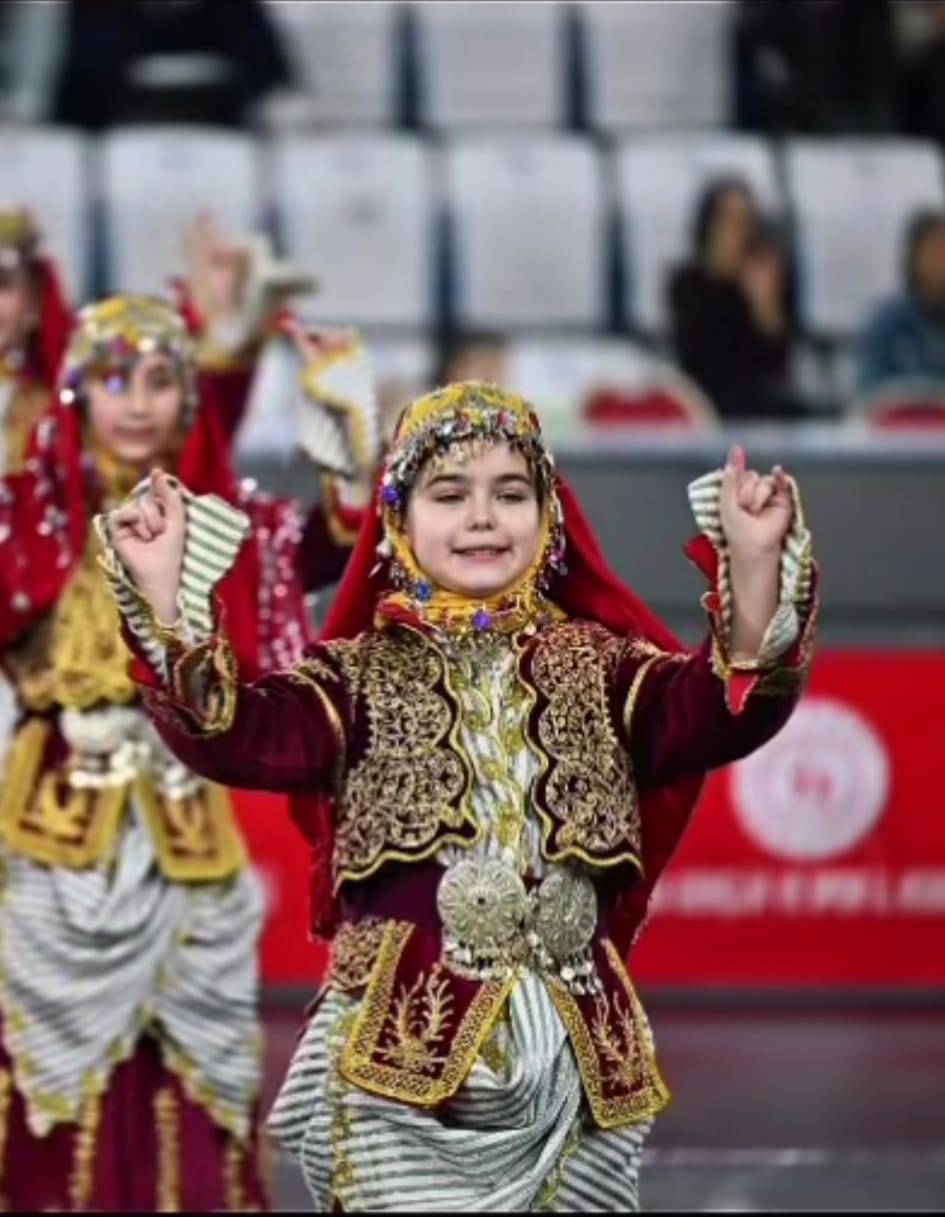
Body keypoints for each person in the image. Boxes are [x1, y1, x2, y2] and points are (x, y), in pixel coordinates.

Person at [102, 380, 817, 1211]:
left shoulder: (603, 665)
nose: (482, 516)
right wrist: (165, 605)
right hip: (406, 1057)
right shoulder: (355, 676)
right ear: (397, 525)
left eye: (510, 493)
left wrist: (757, 564)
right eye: (449, 494)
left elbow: (716, 715)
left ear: (548, 517)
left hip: (575, 1055)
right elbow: (233, 734)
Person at [0, 294, 377, 1209]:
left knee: (198, 1053)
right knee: (47, 1057)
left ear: (188, 398)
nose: (137, 403)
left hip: (184, 825)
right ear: (79, 394)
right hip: (54, 831)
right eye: (115, 380)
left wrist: (340, 415)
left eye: (162, 381)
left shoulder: (217, 520)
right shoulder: (25, 511)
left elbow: (341, 539)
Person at [668, 178, 799, 421]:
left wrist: (763, 304)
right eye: (728, 220)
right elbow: (692, 356)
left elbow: (778, 360)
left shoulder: (768, 276)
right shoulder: (687, 282)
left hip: (761, 403)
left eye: (745, 221)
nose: (737, 232)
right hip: (706, 401)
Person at [857, 209, 945, 393]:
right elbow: (871, 393)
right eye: (935, 249)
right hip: (902, 417)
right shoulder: (888, 322)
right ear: (914, 257)